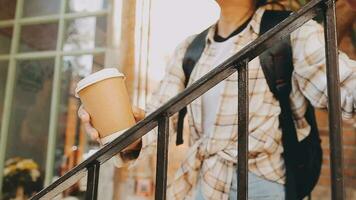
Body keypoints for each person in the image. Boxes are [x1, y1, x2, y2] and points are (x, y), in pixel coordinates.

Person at [78, 0, 356, 199]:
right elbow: (160, 117)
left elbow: (341, 84)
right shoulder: (191, 48)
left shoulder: (292, 30)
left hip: (262, 184)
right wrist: (128, 134)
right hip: (202, 183)